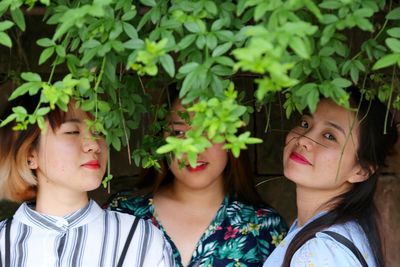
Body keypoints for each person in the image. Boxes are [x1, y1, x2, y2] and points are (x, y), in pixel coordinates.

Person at [108, 85, 288, 267]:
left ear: (232, 136)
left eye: (208, 130)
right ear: (160, 139)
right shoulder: (122, 213)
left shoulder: (264, 227)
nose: (194, 147)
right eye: (179, 133)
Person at [0, 95, 175, 267]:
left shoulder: (140, 239)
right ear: (30, 154)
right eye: (72, 132)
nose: (94, 144)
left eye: (98, 132)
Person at [263, 91, 398, 267]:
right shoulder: (335, 233)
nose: (304, 139)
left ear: (361, 171)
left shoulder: (321, 252)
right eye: (305, 123)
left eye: (329, 136)